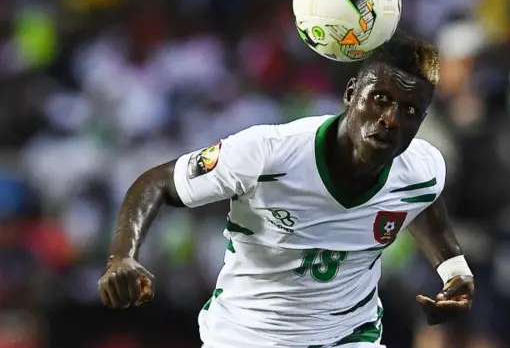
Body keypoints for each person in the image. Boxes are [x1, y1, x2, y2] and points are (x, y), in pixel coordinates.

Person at [98, 31, 475, 348]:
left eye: (410, 111)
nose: (391, 119)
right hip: (247, 336)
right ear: (350, 94)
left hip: (349, 336)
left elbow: (423, 200)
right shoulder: (267, 153)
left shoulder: (422, 167)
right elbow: (158, 181)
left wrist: (454, 270)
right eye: (380, 99)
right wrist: (122, 257)